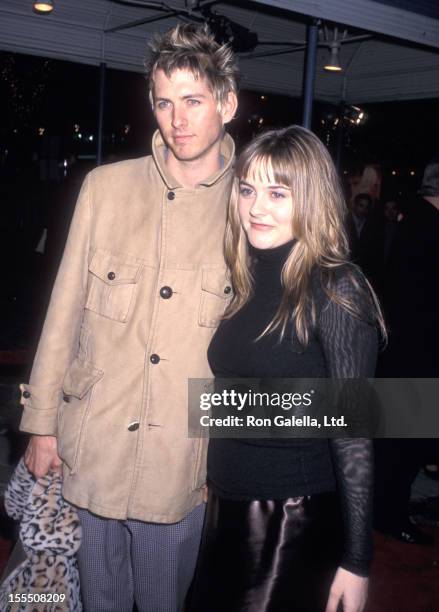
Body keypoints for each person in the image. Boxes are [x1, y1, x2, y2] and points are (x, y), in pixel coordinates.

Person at [18, 23, 238, 612]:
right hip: (94, 447)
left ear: (227, 102)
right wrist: (41, 424)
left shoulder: (252, 206)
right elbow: (61, 312)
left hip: (182, 465)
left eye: (193, 101)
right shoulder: (105, 188)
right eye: (165, 103)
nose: (178, 119)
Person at [189, 126, 385, 612]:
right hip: (226, 507)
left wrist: (358, 560)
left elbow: (354, 433)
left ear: (312, 199)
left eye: (278, 193)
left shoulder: (336, 287)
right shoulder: (246, 273)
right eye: (248, 189)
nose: (257, 207)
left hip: (288, 520)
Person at [374, 157, 439, 544]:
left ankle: (390, 510)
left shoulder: (415, 223)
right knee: (401, 446)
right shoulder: (425, 229)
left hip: (408, 349)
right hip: (415, 352)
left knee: (401, 443)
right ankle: (390, 514)